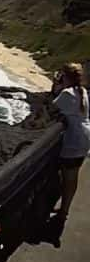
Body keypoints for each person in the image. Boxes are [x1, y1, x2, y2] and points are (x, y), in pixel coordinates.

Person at [51, 62, 90, 221]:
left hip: (73, 140)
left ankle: (63, 211)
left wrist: (56, 86)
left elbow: (52, 107)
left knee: (68, 177)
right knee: (72, 176)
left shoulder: (67, 93)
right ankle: (64, 209)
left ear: (65, 76)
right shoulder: (82, 91)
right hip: (84, 137)